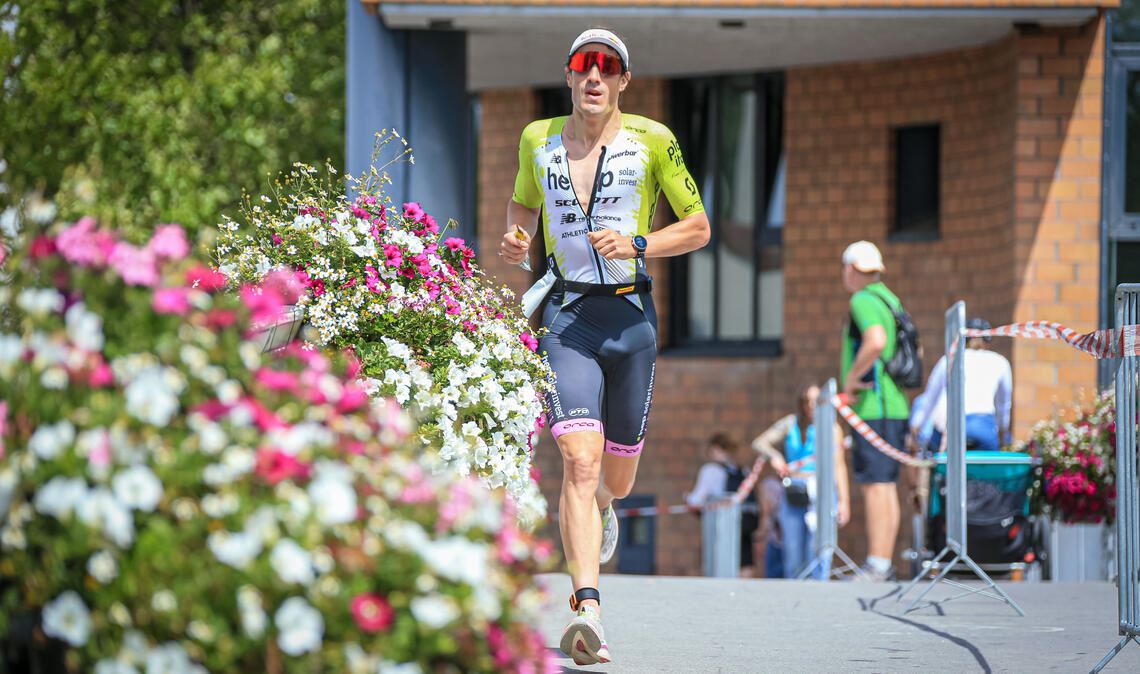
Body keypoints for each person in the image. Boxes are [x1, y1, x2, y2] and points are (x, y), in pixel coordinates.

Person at [500, 27, 709, 666]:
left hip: (631, 322)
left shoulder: (654, 140)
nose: (594, 77)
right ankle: (586, 607)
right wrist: (515, 238)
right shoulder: (537, 138)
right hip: (567, 318)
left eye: (607, 67)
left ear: (622, 80)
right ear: (568, 76)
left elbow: (698, 228)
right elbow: (522, 207)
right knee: (578, 460)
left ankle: (605, 510)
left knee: (615, 474)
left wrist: (640, 243)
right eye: (583, 66)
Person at [840, 240, 911, 582]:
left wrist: (851, 379)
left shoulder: (863, 299)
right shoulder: (890, 298)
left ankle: (877, 563)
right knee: (886, 485)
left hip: (874, 405)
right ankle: (883, 560)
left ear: (852, 269)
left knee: (875, 486)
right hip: (895, 405)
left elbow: (876, 341)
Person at [751, 384, 851, 579]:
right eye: (807, 401)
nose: (811, 406)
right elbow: (760, 442)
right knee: (793, 548)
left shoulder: (831, 427)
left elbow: (839, 465)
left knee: (818, 547)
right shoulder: (791, 423)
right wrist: (775, 457)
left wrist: (844, 501)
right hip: (794, 489)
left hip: (821, 490)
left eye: (815, 401)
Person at [910, 318, 1013, 453]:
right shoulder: (1000, 362)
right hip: (984, 426)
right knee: (987, 469)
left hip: (953, 426)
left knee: (939, 464)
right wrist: (1002, 432)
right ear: (988, 341)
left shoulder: (949, 359)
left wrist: (917, 427)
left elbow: (931, 399)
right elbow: (1003, 405)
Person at [685, 433, 761, 577]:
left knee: (719, 564)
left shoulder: (710, 470)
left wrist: (687, 498)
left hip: (722, 525)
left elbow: (696, 500)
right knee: (745, 566)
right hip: (744, 523)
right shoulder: (742, 471)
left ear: (716, 449)